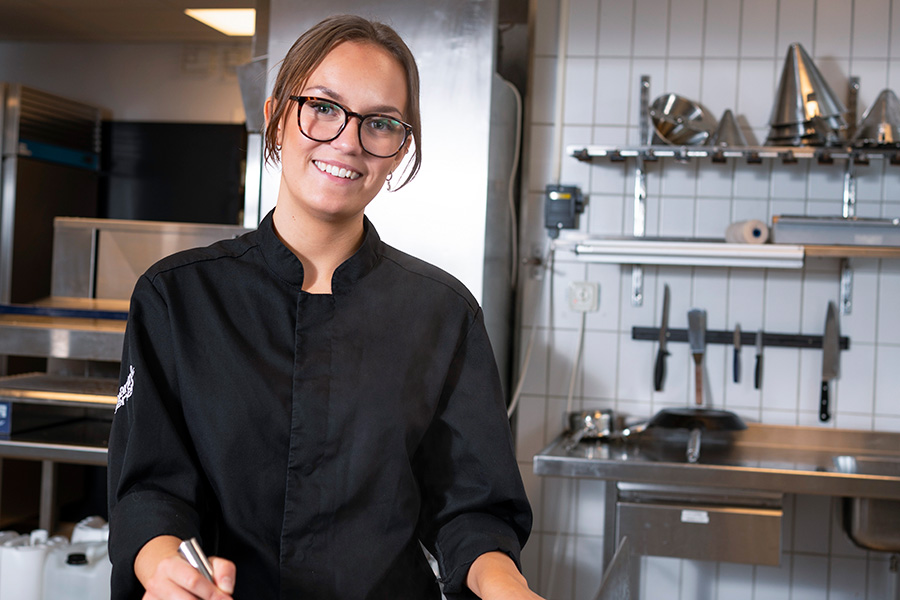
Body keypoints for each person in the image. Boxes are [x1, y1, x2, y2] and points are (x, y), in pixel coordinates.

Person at [107, 14, 542, 600]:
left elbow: (473, 509)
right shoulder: (177, 296)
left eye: (381, 123)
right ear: (276, 119)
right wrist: (164, 568)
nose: (347, 140)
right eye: (323, 107)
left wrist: (506, 588)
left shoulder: (442, 313)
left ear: (398, 152)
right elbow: (150, 489)